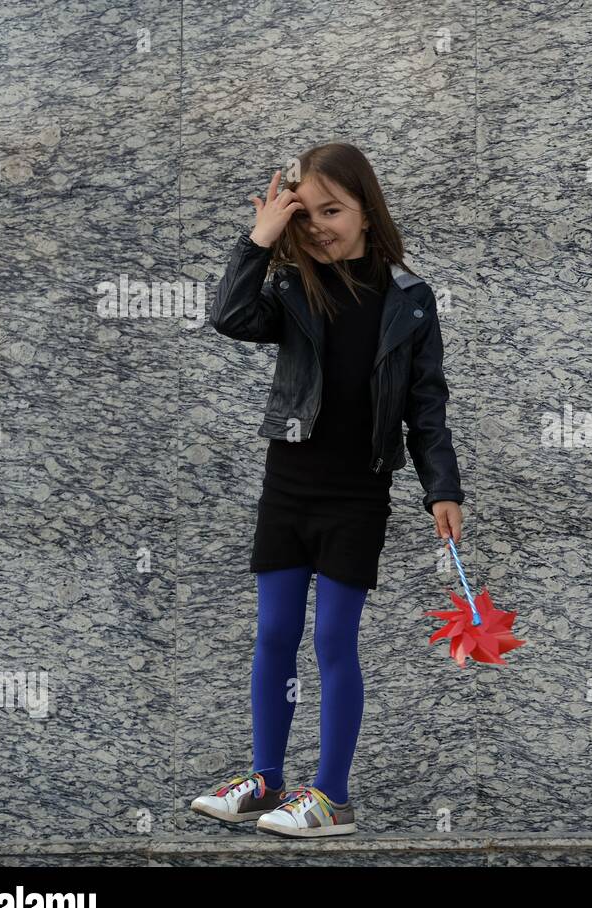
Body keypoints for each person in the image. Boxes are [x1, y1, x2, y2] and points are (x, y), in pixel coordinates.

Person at [190, 142, 466, 837]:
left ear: (368, 213)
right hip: (287, 486)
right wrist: (260, 238)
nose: (316, 226)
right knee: (275, 634)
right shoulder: (289, 290)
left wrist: (443, 488)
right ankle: (265, 778)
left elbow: (425, 407)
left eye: (332, 210)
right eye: (302, 214)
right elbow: (227, 317)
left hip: (356, 495)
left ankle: (331, 798)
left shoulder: (410, 300)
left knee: (333, 641)